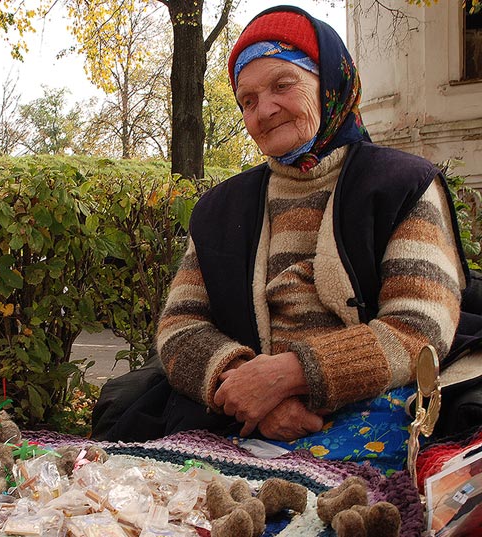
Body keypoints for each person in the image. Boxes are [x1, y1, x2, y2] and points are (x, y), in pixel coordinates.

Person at [92, 5, 471, 472]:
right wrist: (246, 390)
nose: (263, 110)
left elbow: (419, 328)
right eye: (247, 100)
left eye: (282, 85)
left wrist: (288, 374)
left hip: (372, 417)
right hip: (243, 420)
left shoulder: (402, 186)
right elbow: (180, 327)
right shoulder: (219, 210)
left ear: (330, 84)